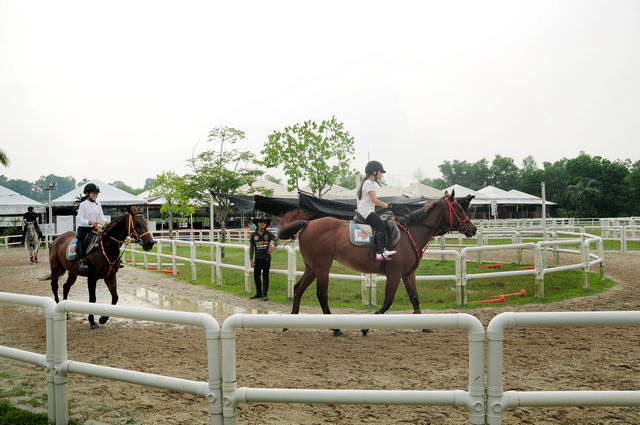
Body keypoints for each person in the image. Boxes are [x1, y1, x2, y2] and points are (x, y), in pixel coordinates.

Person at [356, 160, 397, 261]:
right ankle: (380, 252)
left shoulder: (368, 183)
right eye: (380, 172)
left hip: (366, 210)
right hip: (366, 211)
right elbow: (374, 200)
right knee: (381, 225)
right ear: (374, 172)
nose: (381, 175)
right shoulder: (369, 183)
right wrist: (386, 205)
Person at [74, 183, 107, 271]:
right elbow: (79, 218)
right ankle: (82, 260)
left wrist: (107, 222)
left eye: (96, 193)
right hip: (84, 229)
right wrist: (89, 222)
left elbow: (101, 217)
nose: (95, 195)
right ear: (87, 193)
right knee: (80, 241)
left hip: (95, 228)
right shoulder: (83, 204)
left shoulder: (98, 204)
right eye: (93, 193)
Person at [249, 215, 278, 301]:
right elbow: (251, 247)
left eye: (264, 222)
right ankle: (258, 293)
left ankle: (265, 294)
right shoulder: (253, 235)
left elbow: (277, 240)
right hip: (257, 259)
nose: (263, 224)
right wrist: (251, 259)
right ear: (257, 224)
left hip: (266, 258)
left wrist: (272, 245)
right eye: (261, 222)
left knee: (265, 276)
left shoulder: (268, 234)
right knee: (256, 276)